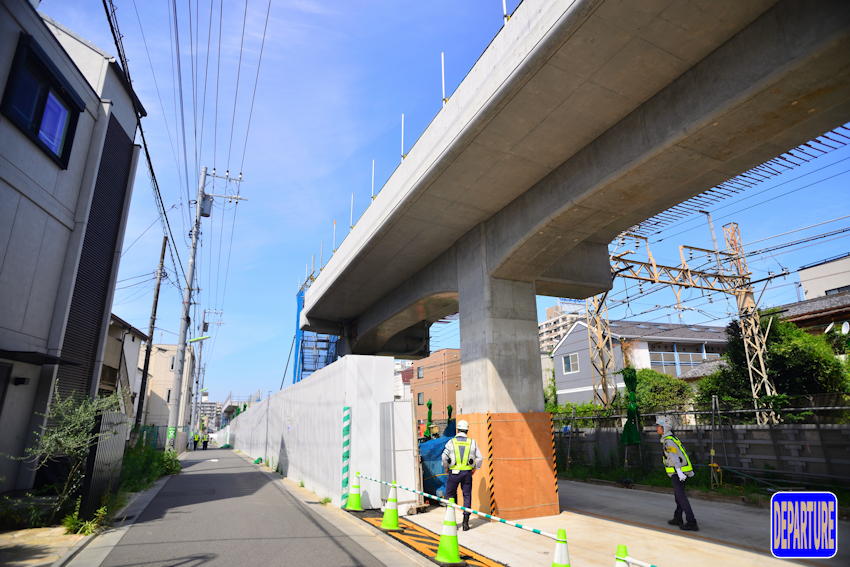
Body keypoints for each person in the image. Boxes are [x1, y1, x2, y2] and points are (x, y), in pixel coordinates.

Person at [656, 416, 698, 531]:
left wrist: (679, 472)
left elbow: (674, 457)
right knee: (678, 497)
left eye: (658, 426)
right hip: (681, 472)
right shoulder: (672, 438)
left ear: (664, 428)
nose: (656, 428)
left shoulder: (668, 441)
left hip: (678, 473)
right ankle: (678, 518)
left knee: (681, 498)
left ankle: (692, 522)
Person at [441, 419, 482, 531]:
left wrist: (446, 467)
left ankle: (451, 522)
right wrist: (475, 468)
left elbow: (444, 457)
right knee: (467, 496)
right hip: (467, 473)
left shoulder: (451, 442)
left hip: (454, 473)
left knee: (450, 496)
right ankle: (465, 523)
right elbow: (479, 458)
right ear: (467, 430)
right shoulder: (472, 442)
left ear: (458, 429)